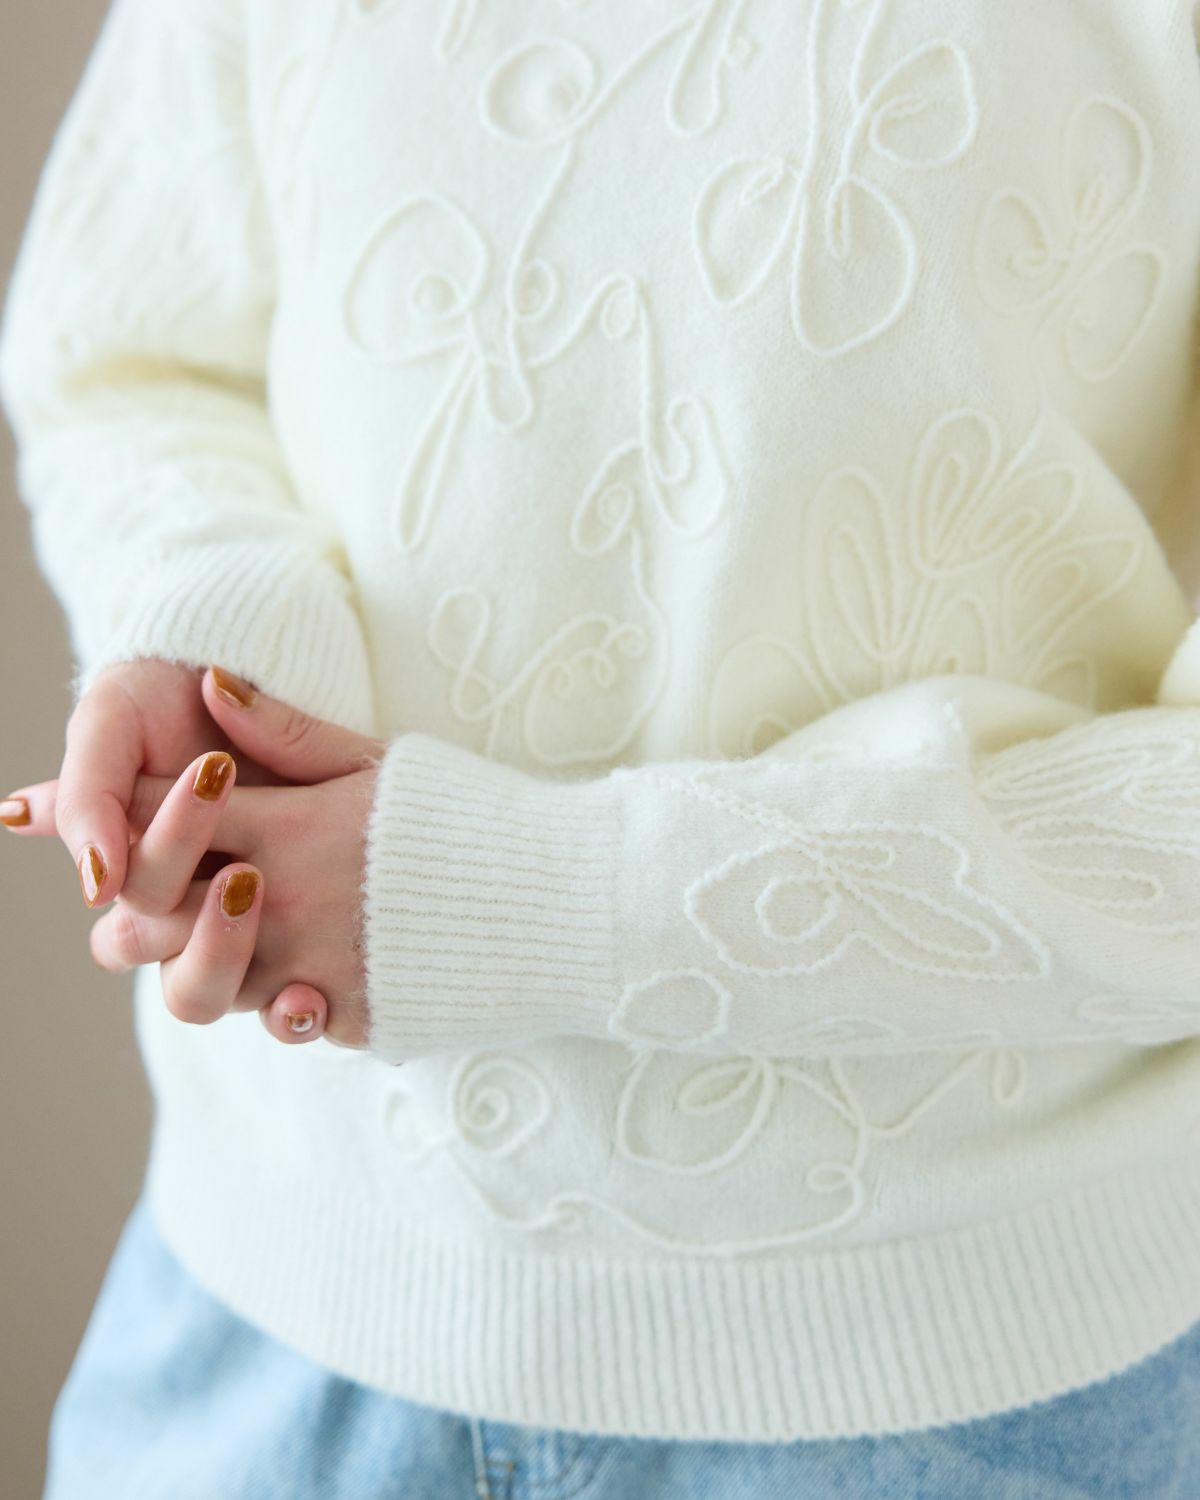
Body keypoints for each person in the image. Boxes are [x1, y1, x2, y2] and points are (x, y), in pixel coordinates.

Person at [2, 0, 1200, 1494]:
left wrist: (519, 899)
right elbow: (130, 350)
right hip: (274, 1331)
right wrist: (233, 663)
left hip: (965, 1390)